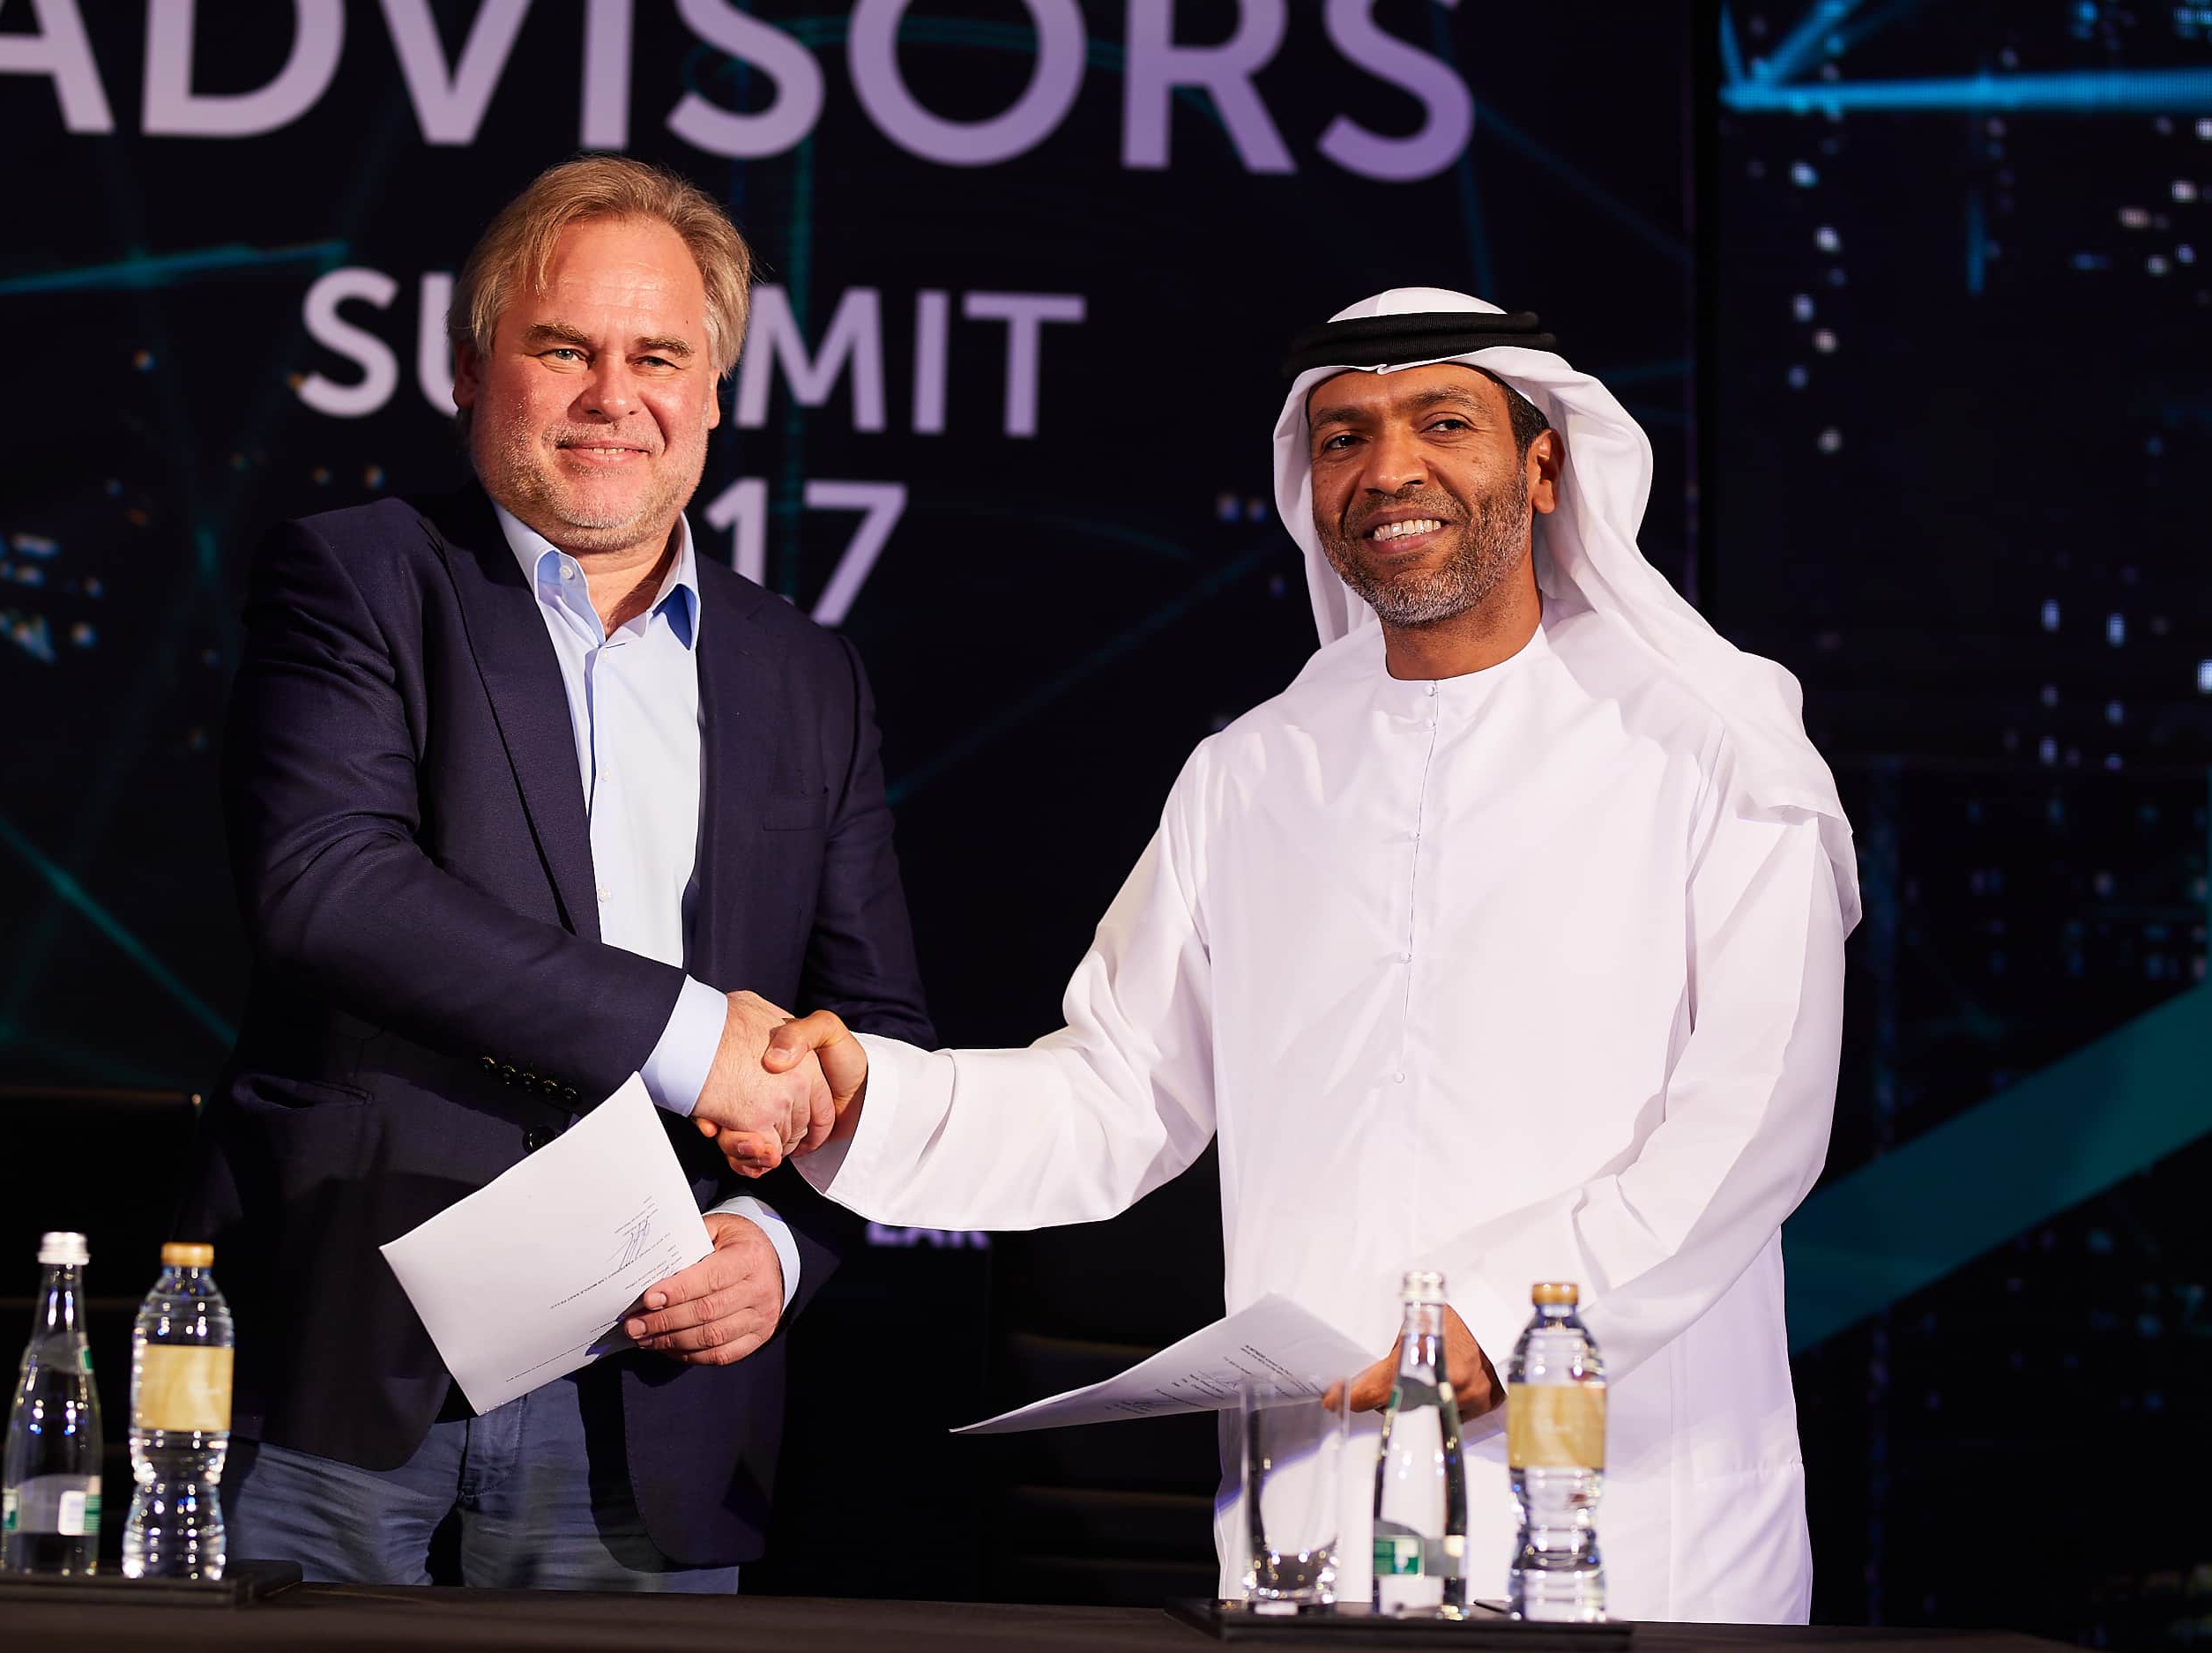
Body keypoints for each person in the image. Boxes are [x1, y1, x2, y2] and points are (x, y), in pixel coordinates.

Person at [748, 289, 1856, 1622]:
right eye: (1344, 438)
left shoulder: (1714, 748)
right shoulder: (1253, 774)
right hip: (1325, 1513)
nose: (1390, 470)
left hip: (1632, 1510)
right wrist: (870, 1094)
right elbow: (1117, 1092)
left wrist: (1508, 1316)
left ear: (1545, 463)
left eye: (1444, 423)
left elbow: (1755, 1119)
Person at [183, 154, 933, 1591]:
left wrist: (777, 1245)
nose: (612, 395)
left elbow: (874, 1031)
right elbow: (328, 886)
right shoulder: (357, 577)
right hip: (355, 1364)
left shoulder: (806, 672)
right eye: (563, 349)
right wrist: (697, 1040)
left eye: (658, 357)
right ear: (471, 371)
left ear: (715, 391)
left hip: (654, 1392)